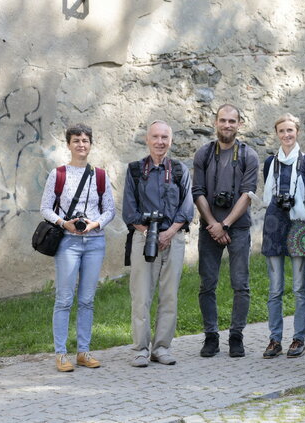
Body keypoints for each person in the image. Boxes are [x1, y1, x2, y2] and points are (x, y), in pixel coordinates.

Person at [40, 123, 115, 372]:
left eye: (85, 140)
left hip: (95, 242)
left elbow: (110, 211)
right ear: (68, 144)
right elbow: (45, 208)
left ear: (90, 144)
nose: (81, 145)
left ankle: (83, 352)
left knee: (87, 300)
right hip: (68, 243)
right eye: (76, 140)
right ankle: (61, 354)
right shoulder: (58, 174)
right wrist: (65, 223)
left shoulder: (101, 175)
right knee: (64, 299)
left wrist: (94, 223)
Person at [122, 120, 194, 367]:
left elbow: (187, 209)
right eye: (155, 137)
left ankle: (162, 348)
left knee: (169, 296)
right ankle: (141, 349)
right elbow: (129, 211)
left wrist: (168, 233)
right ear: (147, 139)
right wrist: (148, 233)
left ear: (170, 141)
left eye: (165, 137)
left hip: (173, 240)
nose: (160, 142)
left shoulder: (180, 170)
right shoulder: (134, 171)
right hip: (143, 239)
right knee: (141, 296)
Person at [193, 104, 259, 358]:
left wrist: (226, 224)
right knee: (207, 284)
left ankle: (236, 336)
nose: (227, 125)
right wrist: (213, 225)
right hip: (210, 228)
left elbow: (247, 194)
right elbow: (197, 192)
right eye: (223, 120)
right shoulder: (204, 154)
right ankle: (211, 336)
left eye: (232, 121)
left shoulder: (248, 155)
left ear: (239, 124)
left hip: (238, 228)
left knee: (240, 284)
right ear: (215, 122)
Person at [261, 113, 305, 359]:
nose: (286, 135)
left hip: (299, 226)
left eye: (290, 130)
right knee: (275, 289)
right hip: (273, 225)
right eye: (282, 131)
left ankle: (298, 338)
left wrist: (300, 215)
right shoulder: (269, 163)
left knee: (299, 287)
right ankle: (274, 339)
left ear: (298, 132)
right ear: (277, 134)